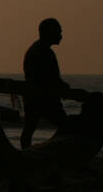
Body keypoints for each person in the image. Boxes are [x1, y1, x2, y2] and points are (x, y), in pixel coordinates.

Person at [21, 18, 71, 149]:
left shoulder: (37, 49)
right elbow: (49, 78)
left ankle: (26, 152)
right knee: (66, 126)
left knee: (29, 128)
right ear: (49, 33)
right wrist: (62, 87)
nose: (61, 35)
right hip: (43, 98)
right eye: (58, 32)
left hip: (34, 96)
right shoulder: (43, 52)